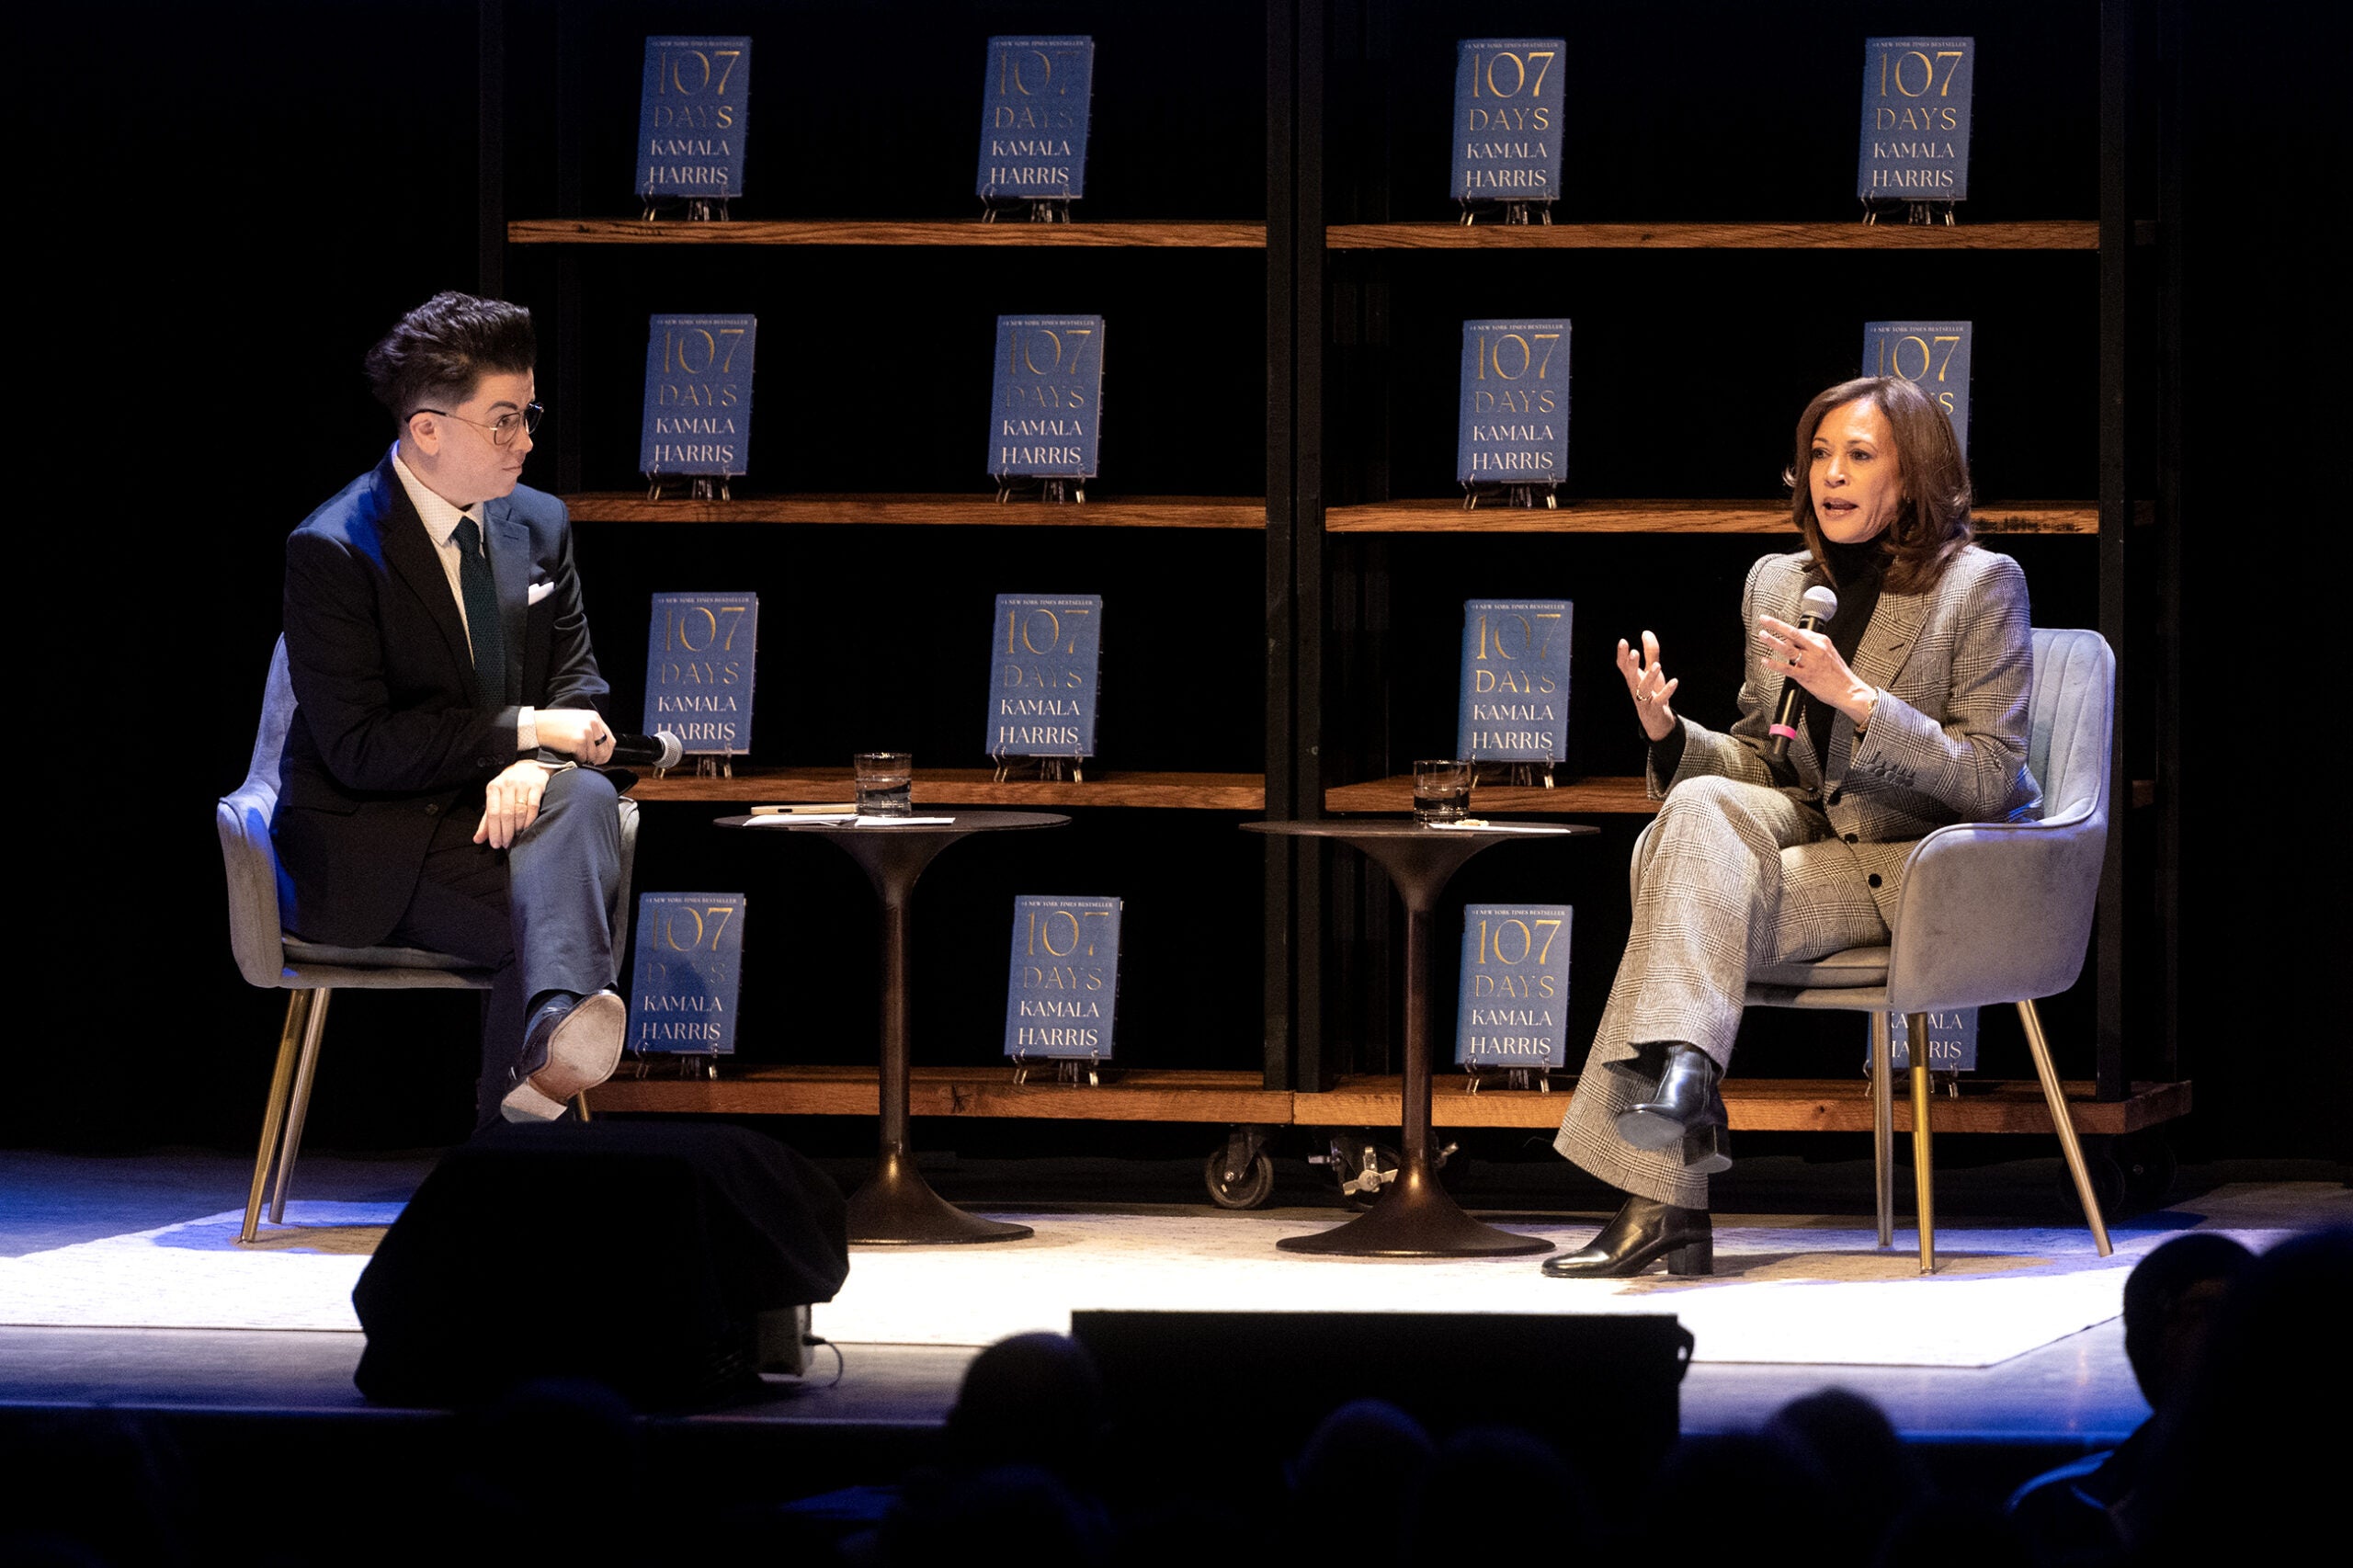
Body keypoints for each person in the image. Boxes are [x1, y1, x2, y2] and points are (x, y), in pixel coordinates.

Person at [1544, 375, 2040, 1278]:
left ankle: (1664, 1187)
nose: (1831, 475)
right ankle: (1685, 1079)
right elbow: (1766, 757)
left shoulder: (1980, 585)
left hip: (1921, 860)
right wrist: (1669, 734)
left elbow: (1987, 777)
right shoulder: (1778, 580)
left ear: (1914, 475)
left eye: (1859, 454)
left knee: (1676, 886)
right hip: (1804, 830)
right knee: (1691, 809)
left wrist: (1856, 697)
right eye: (1818, 453)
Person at [273, 290, 629, 1128]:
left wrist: (536, 763)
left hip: (505, 816)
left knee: (583, 793)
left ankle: (540, 1057)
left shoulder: (539, 524)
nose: (526, 441)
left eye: (529, 414)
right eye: (502, 421)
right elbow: (361, 747)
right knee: (552, 923)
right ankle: (524, 1114)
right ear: (427, 429)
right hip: (378, 837)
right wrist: (525, 732)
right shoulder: (333, 549)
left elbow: (579, 686)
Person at [2006, 1233, 2253, 1562]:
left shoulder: (2067, 1503)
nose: (2223, 1341)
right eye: (2200, 1316)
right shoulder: (2062, 1505)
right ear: (2149, 1343)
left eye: (2241, 1318)